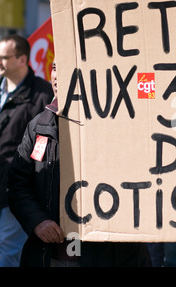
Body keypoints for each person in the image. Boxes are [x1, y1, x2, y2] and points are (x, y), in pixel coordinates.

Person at [7, 61, 151, 267]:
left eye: (68, 65)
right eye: (55, 67)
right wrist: (37, 221)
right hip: (53, 257)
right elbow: (18, 185)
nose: (58, 75)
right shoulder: (39, 125)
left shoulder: (123, 124)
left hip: (110, 256)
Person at [0, 34, 53, 267]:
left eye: (4, 57)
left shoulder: (41, 94)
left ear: (22, 59)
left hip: (14, 189)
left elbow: (42, 144)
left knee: (8, 251)